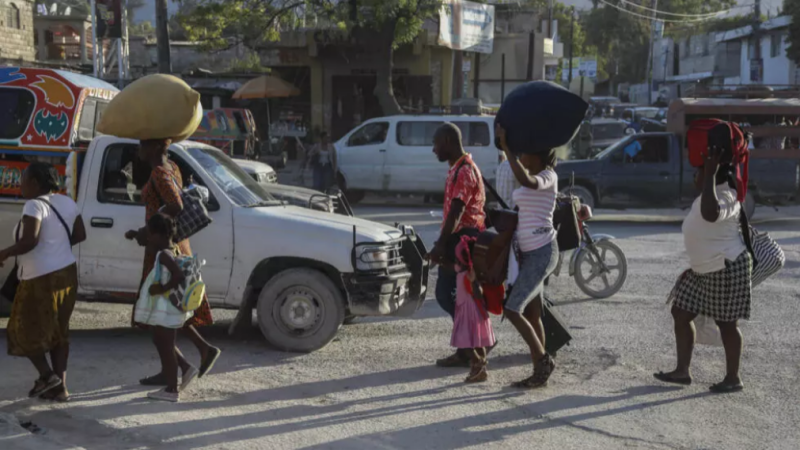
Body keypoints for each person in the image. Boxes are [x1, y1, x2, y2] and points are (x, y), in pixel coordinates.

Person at [654, 146, 751, 393]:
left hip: (724, 266)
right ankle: (682, 372)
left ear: (713, 173)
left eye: (698, 173)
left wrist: (708, 175)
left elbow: (710, 214)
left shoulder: (728, 195)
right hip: (701, 270)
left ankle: (733, 378)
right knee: (681, 311)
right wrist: (708, 177)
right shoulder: (708, 193)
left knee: (726, 323)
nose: (694, 177)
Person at [126, 138, 221, 386]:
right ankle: (192, 356)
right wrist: (143, 232)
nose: (139, 149)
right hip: (173, 243)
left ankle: (179, 369)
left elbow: (175, 204)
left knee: (158, 312)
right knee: (170, 310)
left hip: (164, 247)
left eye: (144, 144)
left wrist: (148, 232)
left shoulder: (159, 172)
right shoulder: (173, 168)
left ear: (157, 147)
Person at [0, 162, 86, 402]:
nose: (21, 184)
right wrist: (57, 248)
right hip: (67, 275)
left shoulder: (34, 204)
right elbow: (80, 235)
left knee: (20, 330)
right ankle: (61, 389)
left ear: (35, 183)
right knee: (59, 332)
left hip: (40, 279)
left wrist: (4, 253)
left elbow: (30, 241)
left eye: (24, 180)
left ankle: (48, 376)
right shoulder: (67, 202)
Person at [496, 125, 559, 389]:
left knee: (512, 308)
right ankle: (539, 370)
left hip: (542, 252)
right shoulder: (534, 171)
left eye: (524, 154)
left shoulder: (547, 176)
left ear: (536, 156)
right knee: (533, 313)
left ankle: (543, 361)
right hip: (528, 254)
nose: (521, 157)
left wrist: (508, 150)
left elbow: (527, 182)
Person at [428, 123, 486, 368]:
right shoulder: (458, 168)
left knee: (450, 295)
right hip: (457, 238)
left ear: (448, 141)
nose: (434, 150)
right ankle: (470, 347)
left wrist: (441, 245)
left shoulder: (464, 170)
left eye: (436, 144)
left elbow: (457, 211)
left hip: (463, 242)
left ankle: (473, 349)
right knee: (452, 297)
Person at [140, 213, 193, 402]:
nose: (148, 238)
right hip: (170, 308)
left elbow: (177, 275)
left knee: (167, 347)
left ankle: (171, 389)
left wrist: (161, 288)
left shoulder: (164, 254)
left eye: (150, 234)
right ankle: (175, 381)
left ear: (159, 235)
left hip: (166, 309)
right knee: (164, 343)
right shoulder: (175, 249)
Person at [450, 236, 495, 383]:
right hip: (468, 312)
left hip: (470, 313)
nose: (455, 262)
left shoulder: (469, 274)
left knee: (465, 342)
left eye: (457, 260)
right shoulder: (463, 270)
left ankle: (477, 362)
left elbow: (478, 293)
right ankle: (480, 370)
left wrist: (473, 281)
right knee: (477, 342)